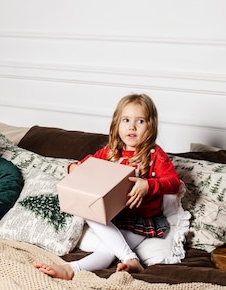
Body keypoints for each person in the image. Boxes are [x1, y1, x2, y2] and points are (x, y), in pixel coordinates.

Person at [34, 93, 180, 279]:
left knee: (108, 251)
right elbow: (85, 164)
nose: (132, 126)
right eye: (126, 120)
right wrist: (74, 167)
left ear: (151, 126)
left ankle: (72, 269)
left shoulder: (154, 154)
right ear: (117, 124)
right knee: (88, 209)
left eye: (140, 121)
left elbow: (174, 183)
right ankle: (128, 258)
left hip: (141, 219)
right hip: (112, 217)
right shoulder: (111, 151)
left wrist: (148, 185)